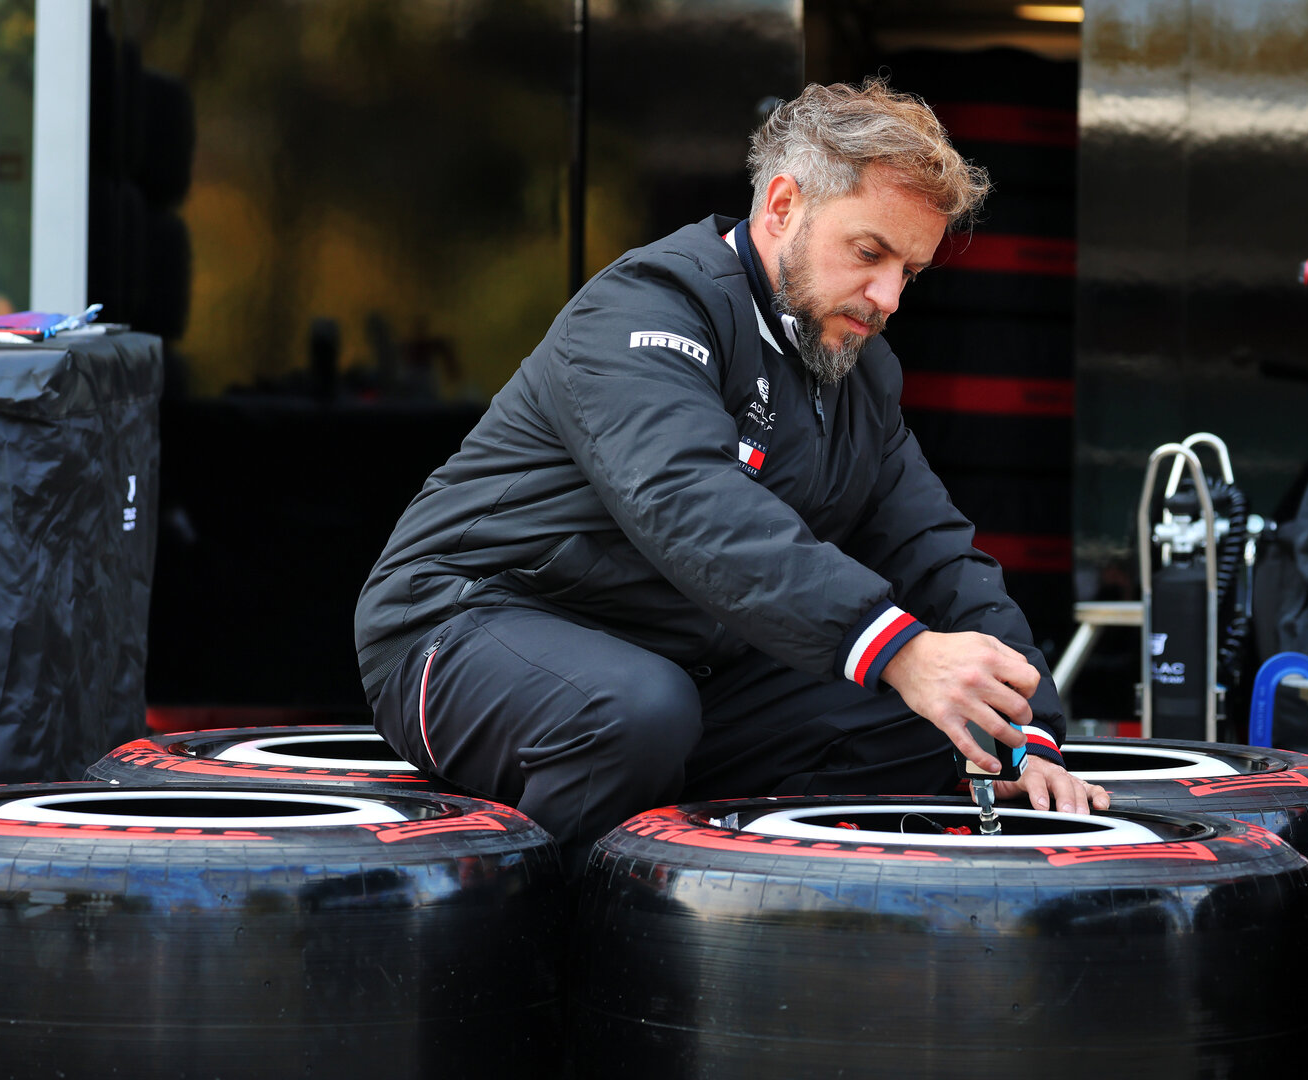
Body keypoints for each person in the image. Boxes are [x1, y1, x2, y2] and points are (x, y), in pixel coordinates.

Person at [355, 78, 1109, 873]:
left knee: (944, 728)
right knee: (636, 713)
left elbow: (935, 550)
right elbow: (691, 507)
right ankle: (554, 973)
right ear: (782, 206)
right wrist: (900, 650)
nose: (888, 297)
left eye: (910, 273)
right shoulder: (647, 305)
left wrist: (1028, 732)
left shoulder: (856, 368)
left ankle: (755, 944)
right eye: (869, 253)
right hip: (459, 625)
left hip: (678, 663)